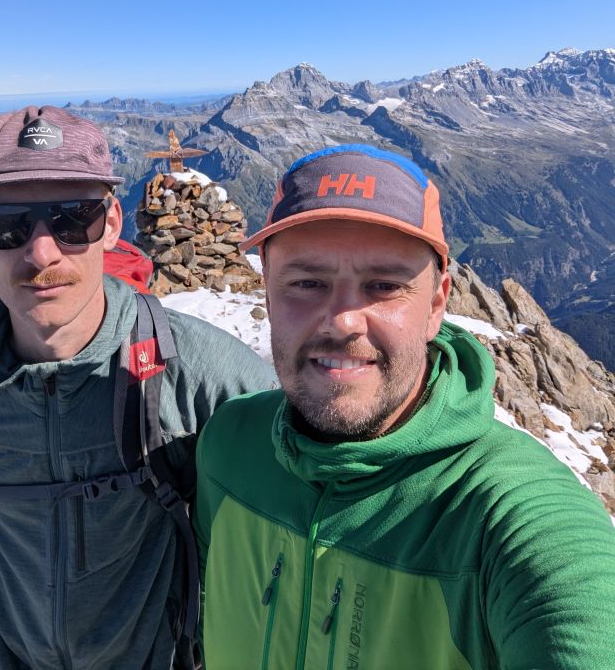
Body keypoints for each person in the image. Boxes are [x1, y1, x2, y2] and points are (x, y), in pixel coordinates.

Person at [195, 144, 615, 670]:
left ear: (437, 303)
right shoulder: (229, 444)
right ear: (268, 293)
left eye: (384, 286)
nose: (343, 321)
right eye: (306, 283)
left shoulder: (501, 509)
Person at [0, 105, 274, 670]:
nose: (41, 252)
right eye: (7, 224)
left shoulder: (197, 371)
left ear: (112, 223)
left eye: (74, 218)